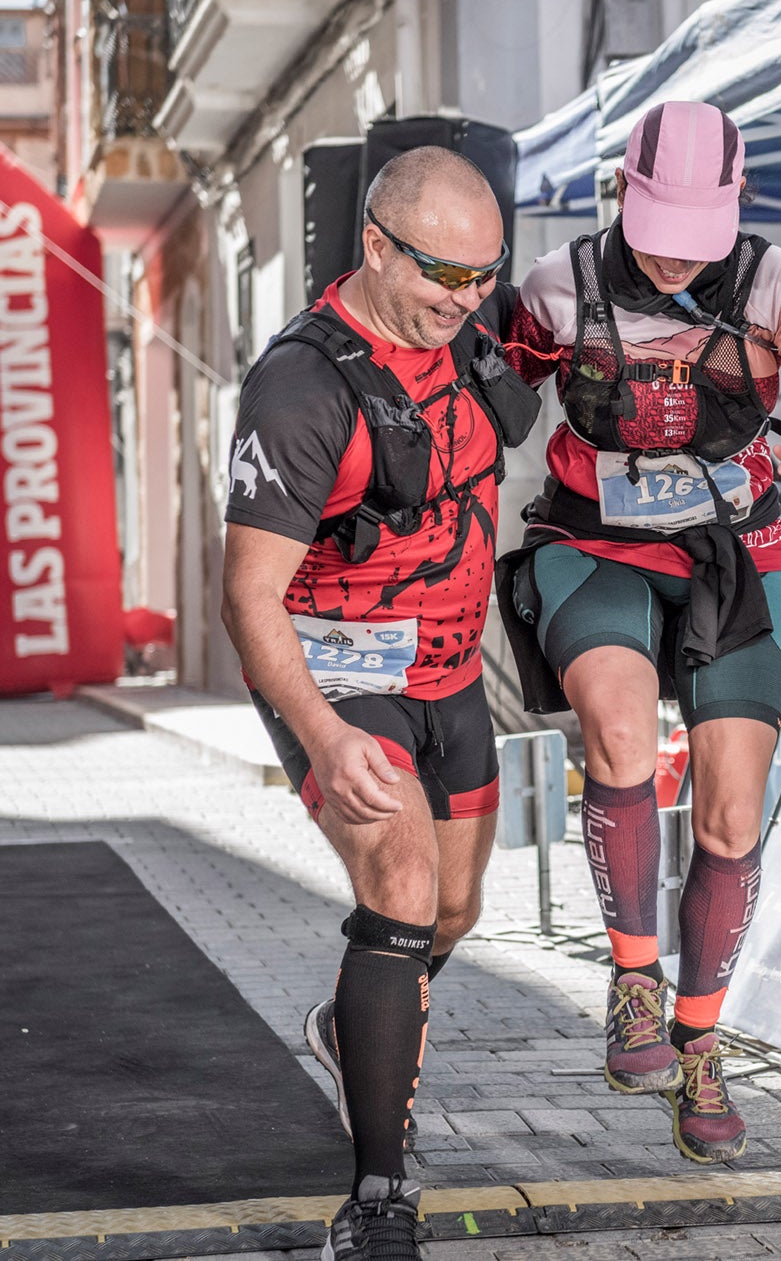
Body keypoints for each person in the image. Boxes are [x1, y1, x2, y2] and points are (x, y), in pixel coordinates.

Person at [498, 101, 781, 1164]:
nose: (671, 257)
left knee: (730, 813)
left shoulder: (772, 284)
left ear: (732, 208)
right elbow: (490, 402)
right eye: (655, 224)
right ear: (624, 190)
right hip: (591, 541)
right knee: (618, 737)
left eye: (693, 234)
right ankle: (632, 979)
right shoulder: (556, 283)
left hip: (736, 553)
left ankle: (700, 1043)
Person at [219, 146, 537, 1261]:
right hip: (342, 677)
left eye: (480, 277)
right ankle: (377, 1199)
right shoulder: (301, 385)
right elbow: (247, 597)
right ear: (372, 245)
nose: (461, 300)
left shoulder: (474, 336)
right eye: (438, 275)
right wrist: (319, 731)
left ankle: (350, 1022)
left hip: (449, 674)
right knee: (400, 884)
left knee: (453, 913)